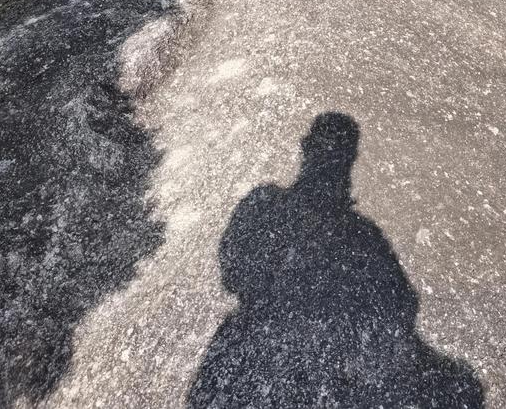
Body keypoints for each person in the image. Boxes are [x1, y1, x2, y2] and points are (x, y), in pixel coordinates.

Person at [188, 112, 484, 408]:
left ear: (305, 147)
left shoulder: (264, 205)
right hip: (325, 369)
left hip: (259, 357)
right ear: (350, 159)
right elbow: (403, 304)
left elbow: (232, 276)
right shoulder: (363, 236)